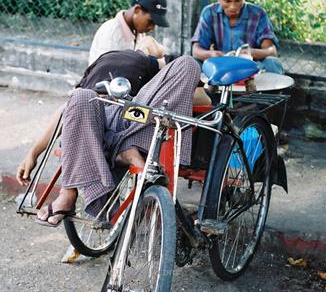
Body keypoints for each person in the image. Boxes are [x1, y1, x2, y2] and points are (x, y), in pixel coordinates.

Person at [16, 41, 210, 226]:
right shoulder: (106, 60)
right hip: (94, 119)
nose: (147, 42)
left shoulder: (160, 67)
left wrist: (163, 71)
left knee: (188, 63)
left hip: (136, 117)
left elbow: (204, 98)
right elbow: (66, 111)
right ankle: (68, 192)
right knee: (80, 97)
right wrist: (33, 153)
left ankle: (126, 147)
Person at [191, 0, 284, 75]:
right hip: (218, 67)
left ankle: (260, 92)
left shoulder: (258, 14)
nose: (233, 7)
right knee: (192, 65)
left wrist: (251, 53)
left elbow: (271, 50)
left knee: (273, 63)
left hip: (250, 68)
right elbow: (196, 50)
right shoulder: (209, 13)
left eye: (238, 0)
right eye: (227, 1)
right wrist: (213, 54)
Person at [88, 0, 169, 65]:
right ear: (137, 10)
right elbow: (103, 70)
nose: (152, 28)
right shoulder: (112, 32)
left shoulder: (138, 31)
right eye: (150, 22)